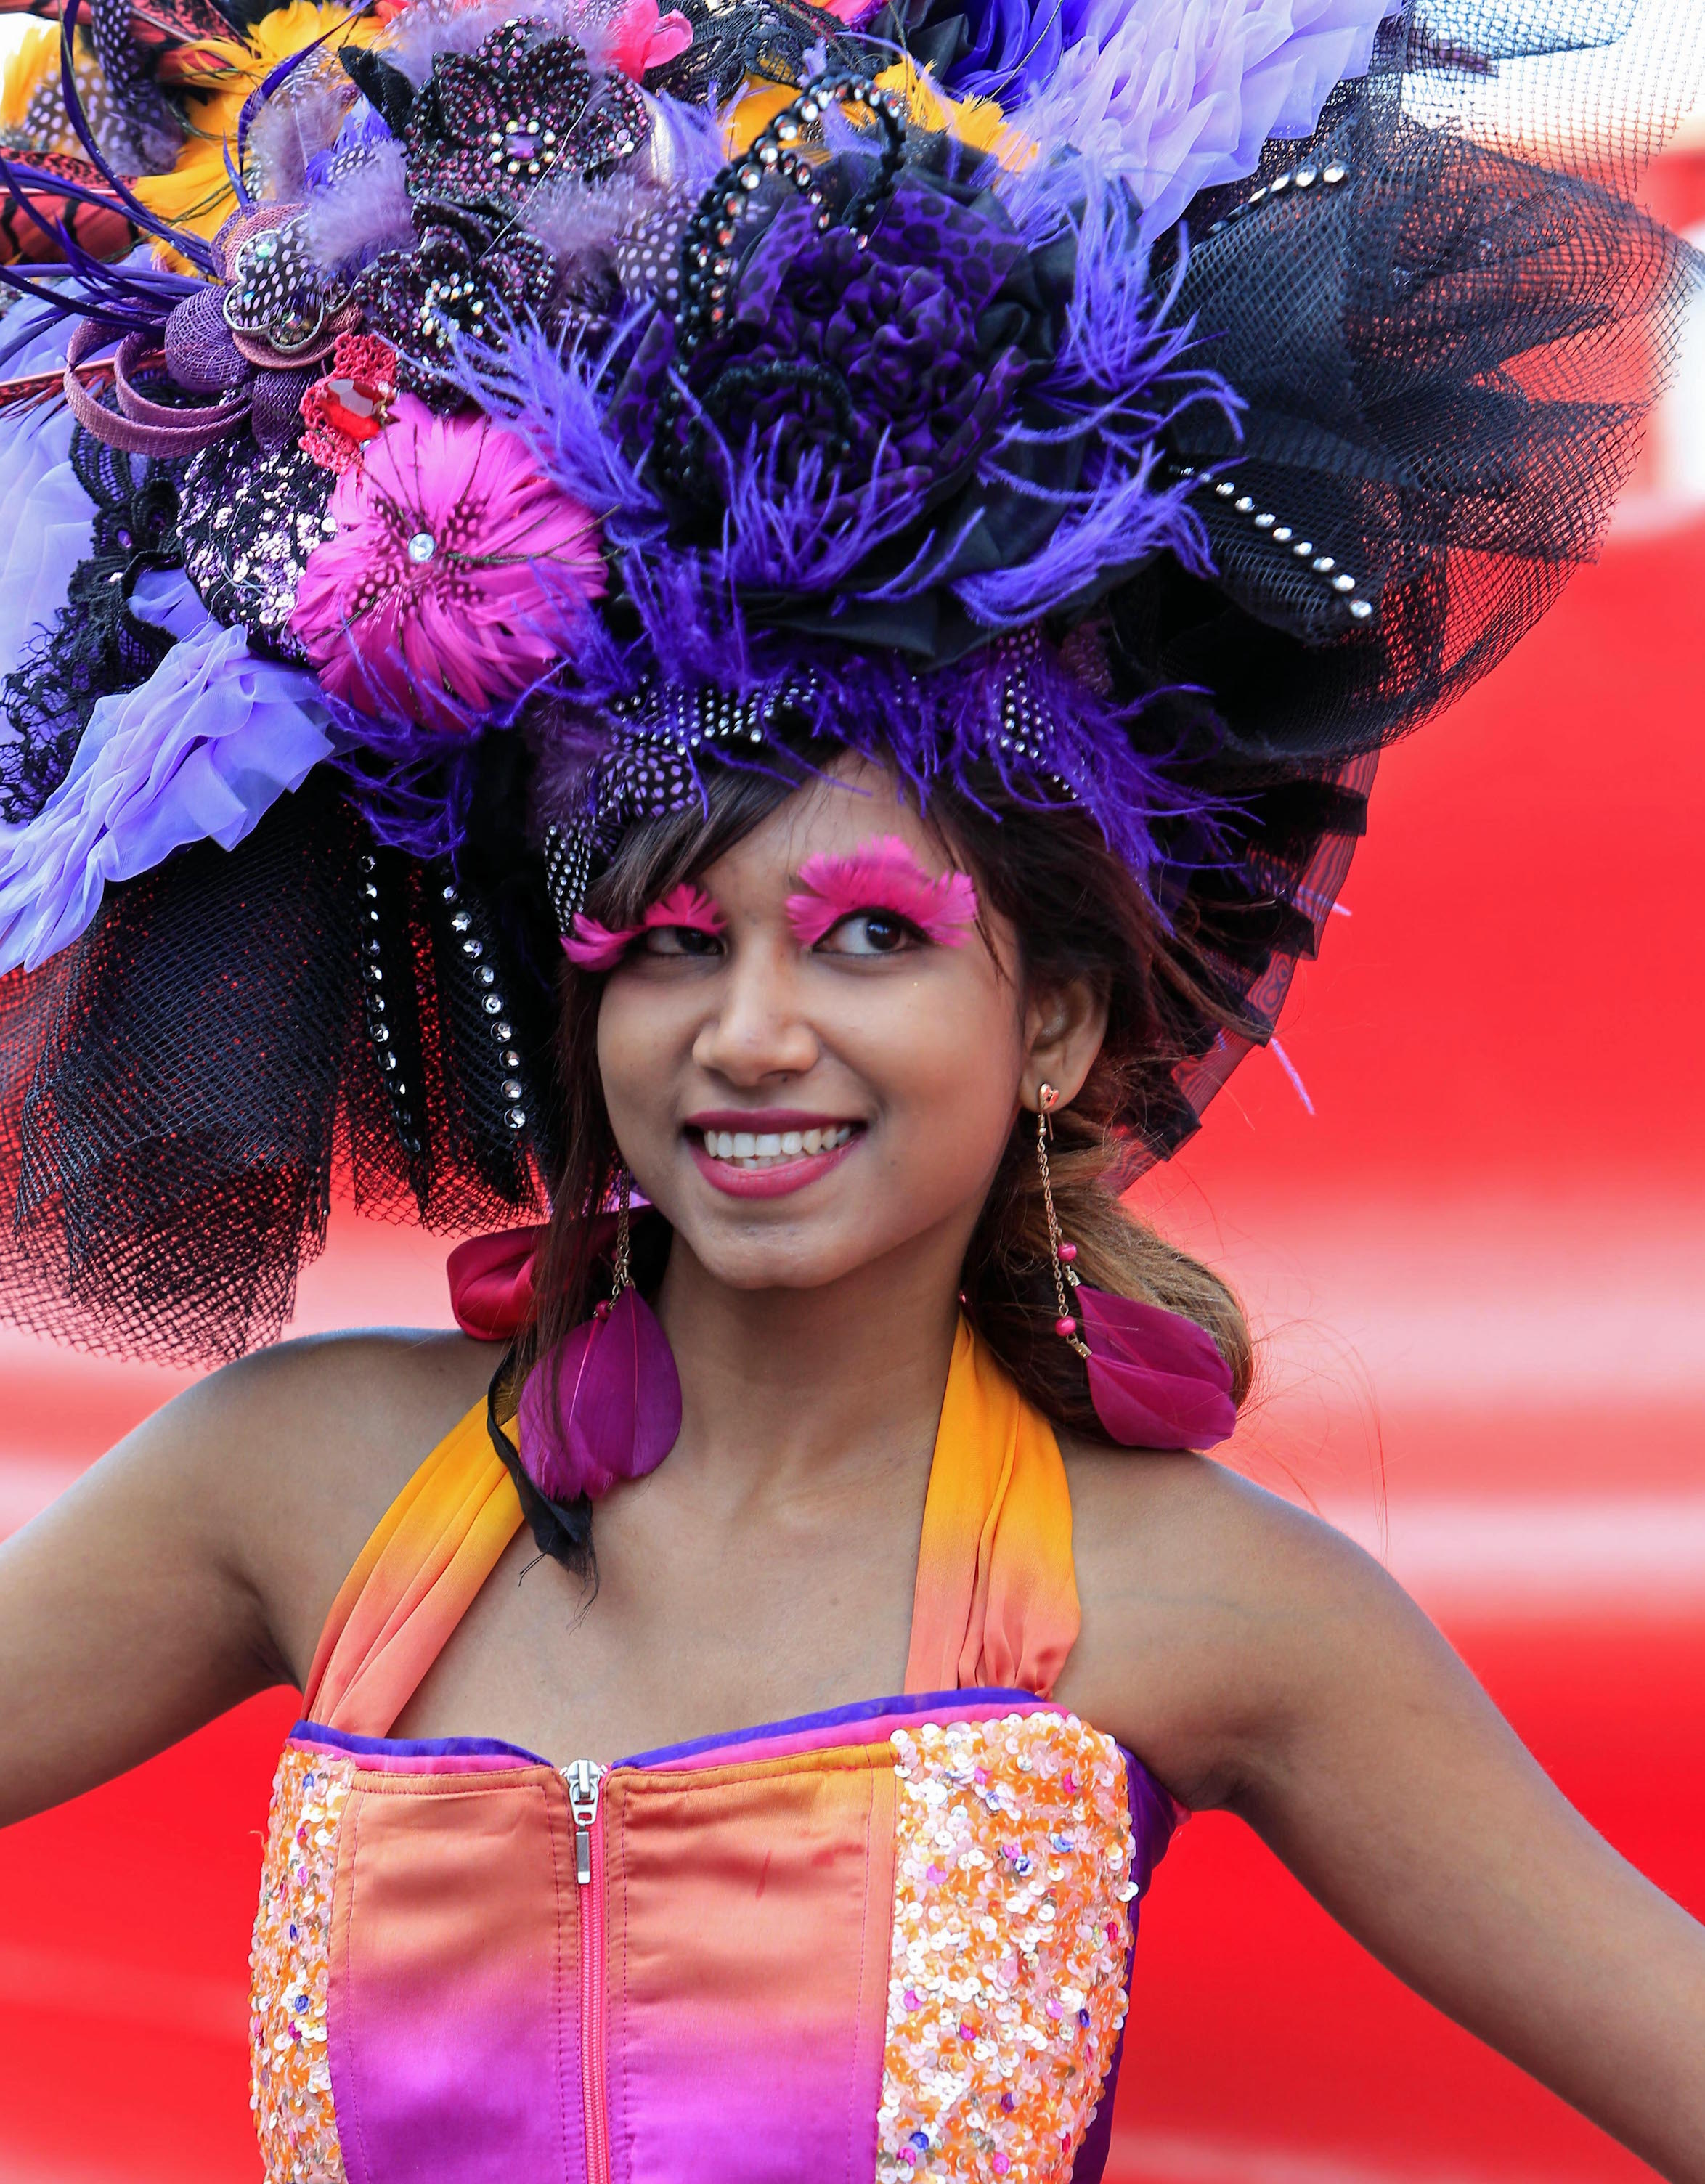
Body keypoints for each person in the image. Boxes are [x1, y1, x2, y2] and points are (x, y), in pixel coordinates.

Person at [0, 0, 1701, 2175]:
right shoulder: (293, 1481)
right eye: (669, 946)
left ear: (1058, 1024)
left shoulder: (1204, 1608)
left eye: (870, 938)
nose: (751, 1036)